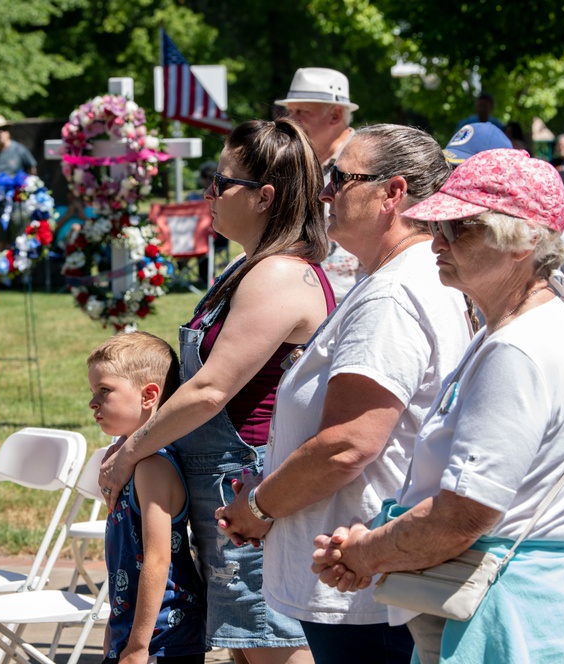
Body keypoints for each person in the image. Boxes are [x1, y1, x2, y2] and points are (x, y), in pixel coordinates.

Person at [312, 149, 564, 663]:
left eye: (459, 229)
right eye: (439, 227)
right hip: (516, 608)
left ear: (519, 243)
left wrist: (366, 550)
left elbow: (460, 518)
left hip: (508, 621)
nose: (436, 242)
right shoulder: (520, 328)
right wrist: (375, 547)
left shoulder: (518, 348)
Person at [215, 124, 471, 664]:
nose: (325, 192)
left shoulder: (395, 295)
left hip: (362, 583)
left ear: (392, 193)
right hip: (361, 571)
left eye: (340, 177)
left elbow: (348, 445)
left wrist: (260, 506)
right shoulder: (398, 279)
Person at [99, 118, 335, 664]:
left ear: (264, 197)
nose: (209, 193)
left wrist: (131, 451)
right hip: (225, 492)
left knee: (273, 643)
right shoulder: (247, 266)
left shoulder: (278, 274)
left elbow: (210, 390)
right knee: (246, 647)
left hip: (250, 487)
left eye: (221, 182)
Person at [87, 332, 207, 664]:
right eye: (92, 391)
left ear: (148, 395)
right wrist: (115, 625)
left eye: (104, 390)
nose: (92, 402)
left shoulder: (153, 467)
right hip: (136, 627)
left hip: (165, 634)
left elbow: (157, 559)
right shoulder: (127, 463)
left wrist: (139, 645)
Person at [444, 123, 564, 339]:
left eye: (464, 168)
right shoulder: (454, 230)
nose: (453, 179)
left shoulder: (557, 240)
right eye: (449, 169)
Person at [274, 67, 365, 301]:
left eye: (302, 112)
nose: (289, 121)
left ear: (335, 116)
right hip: (301, 298)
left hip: (349, 299)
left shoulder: (366, 162)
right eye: (289, 111)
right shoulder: (298, 161)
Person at [0, 114, 37, 178]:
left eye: (3, 128)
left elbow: (32, 170)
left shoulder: (20, 150)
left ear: (8, 131)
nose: (0, 133)